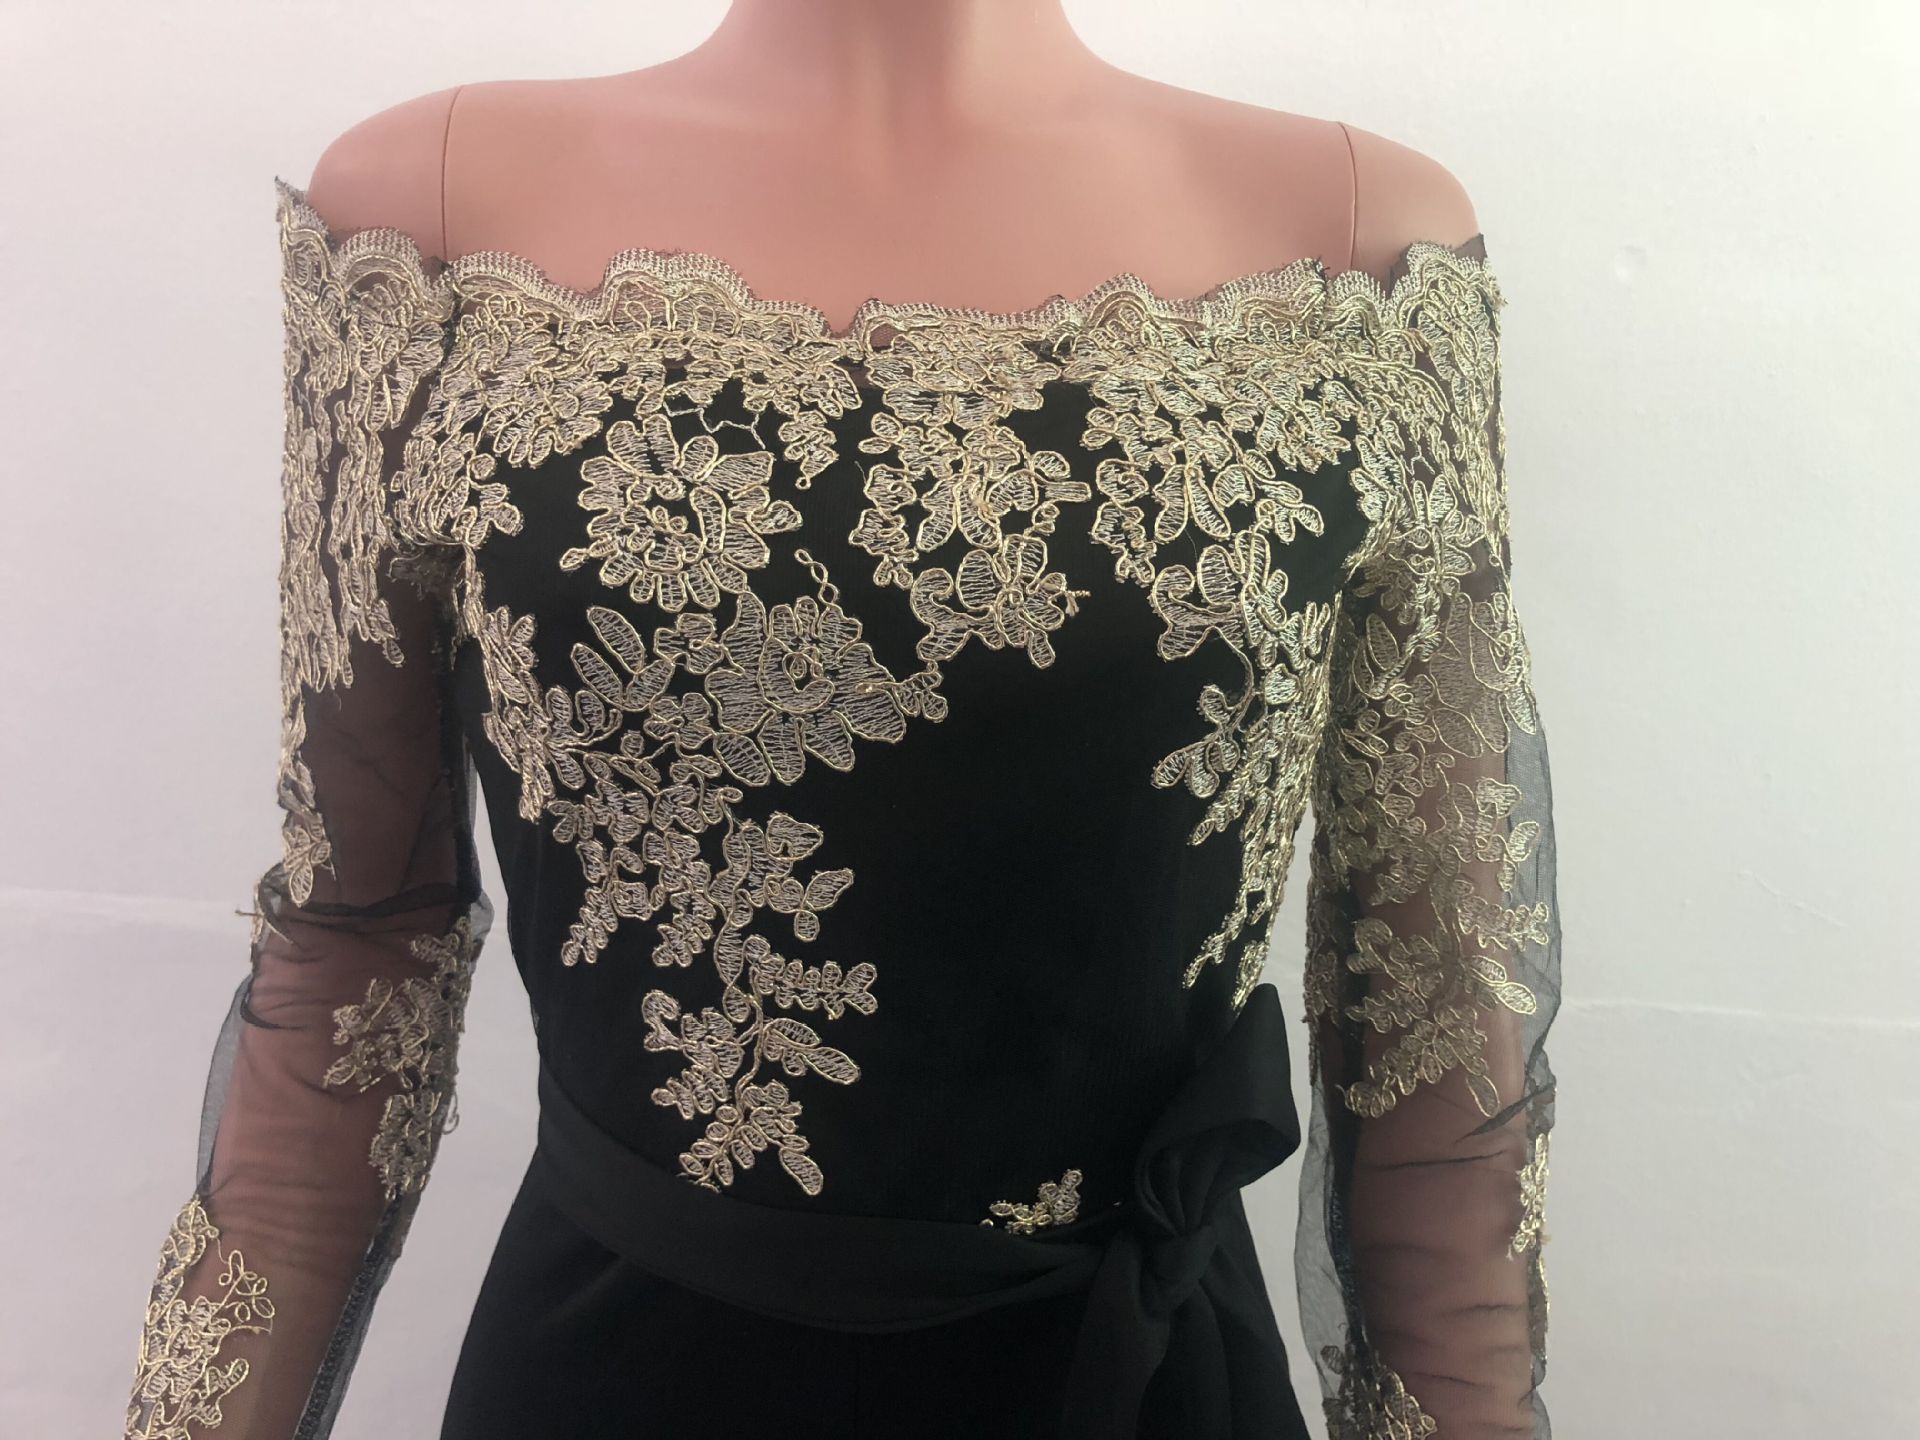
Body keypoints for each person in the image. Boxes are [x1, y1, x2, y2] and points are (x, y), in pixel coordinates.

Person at [125, 4, 1559, 1436]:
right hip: (615, 1380)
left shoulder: (1359, 255)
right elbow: (357, 941)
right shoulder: (435, 224)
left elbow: (1435, 1004)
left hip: (1139, 1382)